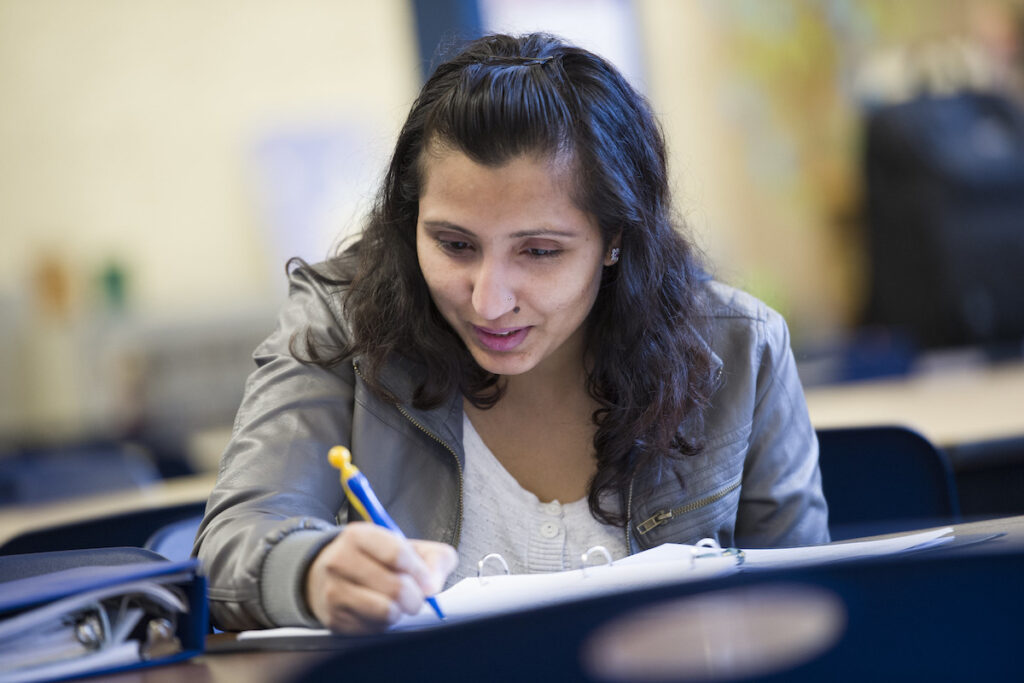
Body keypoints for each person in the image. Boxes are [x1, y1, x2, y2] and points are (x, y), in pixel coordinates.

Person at [194, 32, 829, 634]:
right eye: (454, 244)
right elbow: (231, 545)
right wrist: (307, 573)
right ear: (409, 221)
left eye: (540, 252)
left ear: (615, 241)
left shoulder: (741, 350)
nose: (489, 301)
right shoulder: (343, 319)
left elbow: (811, 616)